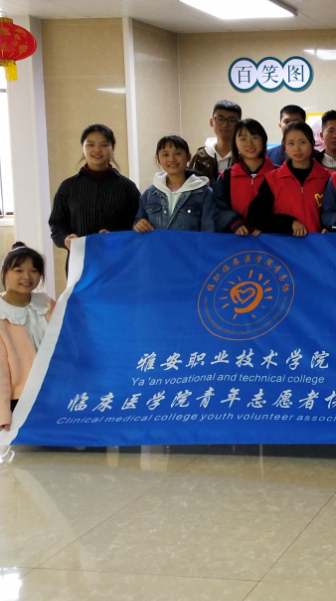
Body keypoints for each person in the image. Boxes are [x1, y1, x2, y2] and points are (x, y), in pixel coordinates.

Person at [49, 124, 141, 262]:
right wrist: (65, 239)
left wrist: (114, 237)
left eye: (104, 144)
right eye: (90, 144)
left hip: (118, 261)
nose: (97, 149)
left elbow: (137, 225)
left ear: (113, 148)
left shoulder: (127, 187)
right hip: (80, 263)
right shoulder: (68, 187)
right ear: (82, 147)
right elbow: (56, 224)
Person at [0, 243, 55, 430]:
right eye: (19, 271)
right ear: (5, 272)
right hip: (20, 399)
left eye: (34, 271)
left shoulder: (46, 302)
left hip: (55, 391)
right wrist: (3, 414)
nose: (27, 277)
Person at [248, 121, 332, 236]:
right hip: (283, 245)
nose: (297, 148)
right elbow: (254, 216)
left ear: (312, 143)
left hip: (318, 244)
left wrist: (330, 228)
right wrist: (288, 223)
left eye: (302, 142)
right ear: (285, 146)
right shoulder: (273, 179)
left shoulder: (327, 177)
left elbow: (335, 213)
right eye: (291, 143)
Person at [134, 136, 216, 233]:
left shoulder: (205, 193)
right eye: (165, 154)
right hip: (157, 244)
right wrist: (138, 224)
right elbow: (138, 225)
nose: (172, 159)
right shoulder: (149, 194)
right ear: (158, 159)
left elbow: (209, 232)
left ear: (188, 156)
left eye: (178, 153)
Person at [214, 119, 275, 235]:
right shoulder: (225, 177)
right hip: (236, 240)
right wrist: (234, 223)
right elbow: (218, 208)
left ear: (263, 139)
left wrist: (269, 224)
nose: (249, 143)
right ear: (235, 143)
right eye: (243, 139)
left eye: (254, 137)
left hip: (270, 240)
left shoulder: (279, 174)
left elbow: (286, 207)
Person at [189, 100, 240, 185]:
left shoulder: (245, 156)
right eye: (220, 119)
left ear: (239, 124)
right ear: (211, 122)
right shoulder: (200, 157)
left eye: (231, 120)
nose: (225, 124)